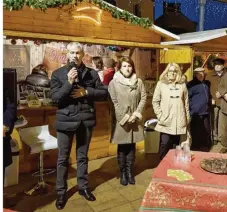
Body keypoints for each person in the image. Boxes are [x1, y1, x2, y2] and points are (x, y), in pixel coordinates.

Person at [50, 42, 108, 210]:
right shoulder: (58, 74)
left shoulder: (91, 74)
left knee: (82, 157)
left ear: (83, 55)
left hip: (85, 120)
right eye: (72, 53)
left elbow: (104, 93)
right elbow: (55, 99)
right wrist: (68, 83)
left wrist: (87, 92)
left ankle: (83, 187)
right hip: (65, 121)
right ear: (67, 54)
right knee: (63, 159)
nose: (75, 56)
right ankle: (61, 192)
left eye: (78, 53)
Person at [108, 57, 147, 186]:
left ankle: (130, 172)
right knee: (122, 147)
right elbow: (113, 102)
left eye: (129, 66)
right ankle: (123, 173)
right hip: (121, 121)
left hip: (134, 119)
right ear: (120, 68)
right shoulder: (114, 83)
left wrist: (136, 114)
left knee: (132, 147)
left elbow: (143, 97)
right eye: (124, 66)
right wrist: (123, 117)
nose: (127, 68)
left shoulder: (138, 82)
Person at [152, 63, 190, 160]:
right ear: (167, 72)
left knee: (176, 146)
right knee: (164, 144)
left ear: (178, 73)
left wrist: (187, 118)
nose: (172, 73)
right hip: (166, 121)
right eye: (170, 71)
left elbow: (186, 103)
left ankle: (173, 168)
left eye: (175, 71)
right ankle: (162, 167)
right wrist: (160, 116)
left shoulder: (182, 85)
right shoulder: (161, 84)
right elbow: (155, 101)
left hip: (179, 121)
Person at [187, 67, 211, 151]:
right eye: (199, 74)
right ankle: (195, 147)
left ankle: (205, 146)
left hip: (205, 111)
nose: (201, 75)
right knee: (196, 130)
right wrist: (192, 108)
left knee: (206, 130)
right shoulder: (190, 84)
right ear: (195, 74)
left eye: (202, 73)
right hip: (196, 112)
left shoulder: (206, 83)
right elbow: (187, 98)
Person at [208, 58, 226, 144]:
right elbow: (206, 88)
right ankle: (214, 137)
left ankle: (221, 137)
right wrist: (210, 98)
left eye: (219, 65)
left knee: (222, 121)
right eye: (215, 65)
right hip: (213, 101)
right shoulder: (209, 75)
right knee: (214, 120)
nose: (217, 67)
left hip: (224, 101)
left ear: (223, 66)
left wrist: (223, 94)